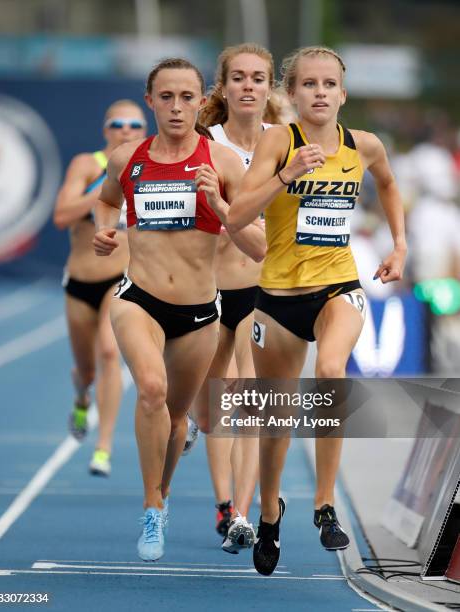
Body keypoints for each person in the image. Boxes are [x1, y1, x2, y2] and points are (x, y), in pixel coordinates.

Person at [227, 46, 407, 576]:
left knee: (331, 373)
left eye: (330, 84)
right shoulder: (277, 140)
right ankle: (269, 515)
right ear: (293, 94)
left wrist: (399, 245)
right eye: (309, 84)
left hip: (338, 287)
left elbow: (390, 185)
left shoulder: (364, 145)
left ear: (343, 94)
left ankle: (325, 507)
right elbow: (237, 216)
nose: (321, 92)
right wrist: (287, 175)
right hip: (278, 298)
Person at [93, 58, 266, 562]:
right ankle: (151, 506)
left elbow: (258, 248)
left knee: (176, 420)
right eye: (165, 97)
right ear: (150, 101)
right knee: (150, 389)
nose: (176, 107)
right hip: (138, 299)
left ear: (201, 100)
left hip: (197, 312)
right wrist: (106, 230)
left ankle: (162, 494)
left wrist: (223, 205)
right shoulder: (127, 159)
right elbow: (107, 203)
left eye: (186, 97)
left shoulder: (225, 163)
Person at [191, 43, 281, 555]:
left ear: (270, 88)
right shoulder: (205, 144)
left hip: (267, 286)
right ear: (222, 88)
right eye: (239, 78)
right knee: (214, 409)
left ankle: (241, 512)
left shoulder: (284, 142)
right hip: (210, 287)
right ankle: (226, 501)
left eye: (259, 78)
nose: (249, 86)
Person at [53, 100, 147, 476]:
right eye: (117, 123)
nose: (126, 130)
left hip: (119, 278)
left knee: (111, 353)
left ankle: (102, 448)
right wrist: (105, 187)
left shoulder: (148, 169)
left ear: (144, 130)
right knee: (87, 370)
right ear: (105, 130)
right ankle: (81, 397)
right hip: (79, 281)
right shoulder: (86, 164)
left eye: (134, 124)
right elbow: (61, 216)